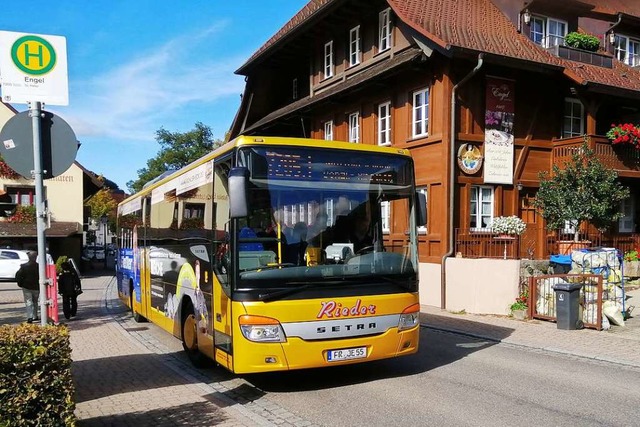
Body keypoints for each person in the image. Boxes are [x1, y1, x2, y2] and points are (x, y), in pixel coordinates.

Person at [15, 251, 40, 323]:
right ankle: (35, 316)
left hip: (26, 286)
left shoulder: (24, 266)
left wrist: (20, 284)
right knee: (35, 301)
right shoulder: (39, 266)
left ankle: (30, 317)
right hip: (36, 287)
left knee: (28, 302)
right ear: (36, 257)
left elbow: (18, 276)